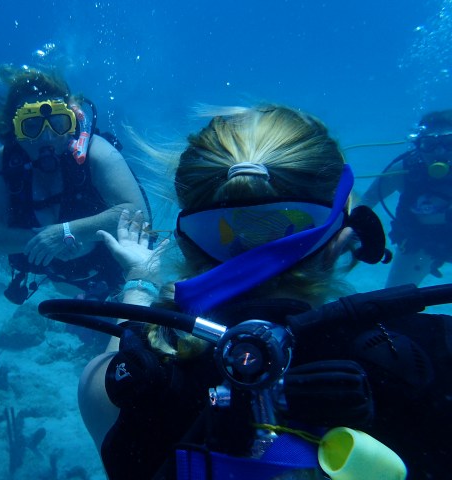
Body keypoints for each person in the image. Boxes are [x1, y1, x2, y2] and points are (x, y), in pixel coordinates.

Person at [73, 105, 451, 479]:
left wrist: (139, 280)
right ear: (345, 238)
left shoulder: (123, 385)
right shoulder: (434, 354)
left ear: (185, 244)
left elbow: (117, 353)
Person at [0, 65, 147, 304]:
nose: (47, 136)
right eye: (31, 126)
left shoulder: (97, 153)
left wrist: (67, 232)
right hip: (61, 280)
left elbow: (138, 214)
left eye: (58, 123)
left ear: (72, 121)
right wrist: (41, 242)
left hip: (115, 271)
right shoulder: (3, 164)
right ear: (14, 130)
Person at [360, 109, 452, 287]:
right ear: (418, 144)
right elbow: (366, 202)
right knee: (394, 300)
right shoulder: (403, 172)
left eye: (449, 143)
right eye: (429, 144)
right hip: (420, 244)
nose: (439, 152)